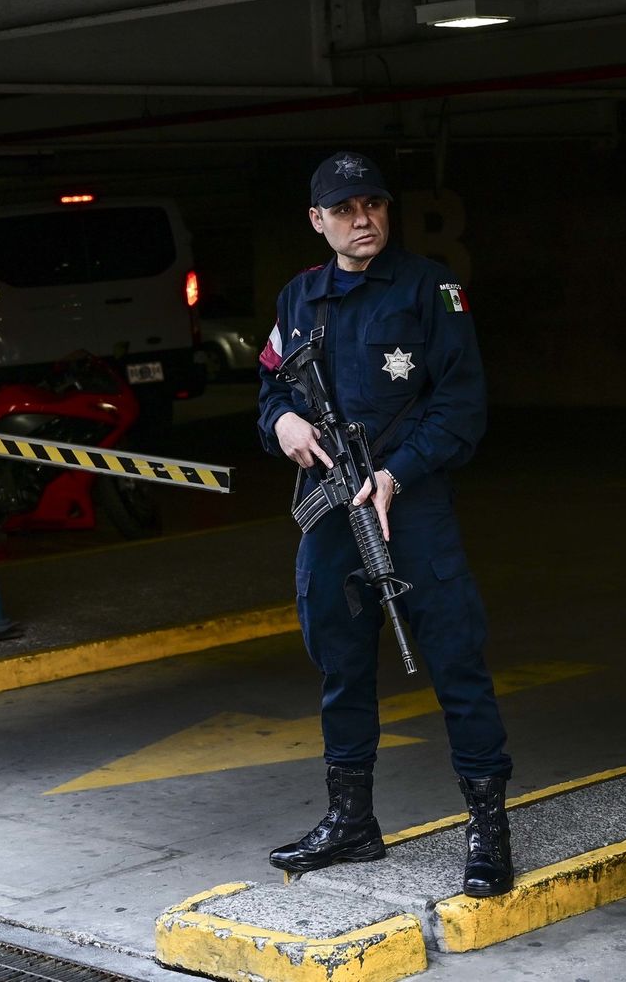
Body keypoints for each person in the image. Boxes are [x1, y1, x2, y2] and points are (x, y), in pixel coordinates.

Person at [257, 152, 514, 897]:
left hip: (412, 504)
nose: (361, 219)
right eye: (343, 209)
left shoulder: (431, 289)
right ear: (317, 220)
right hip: (332, 509)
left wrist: (396, 474)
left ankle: (488, 825)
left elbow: (462, 407)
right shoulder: (297, 298)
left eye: (373, 204)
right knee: (340, 665)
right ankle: (351, 822)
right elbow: (271, 389)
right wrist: (284, 427)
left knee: (456, 662)